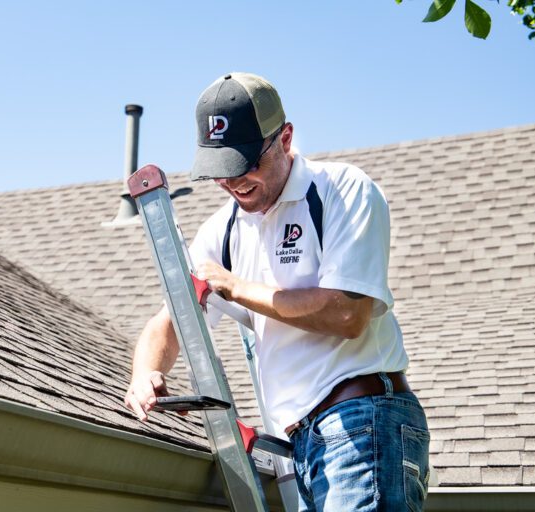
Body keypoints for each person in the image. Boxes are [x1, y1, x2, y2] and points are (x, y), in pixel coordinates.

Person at [124, 72, 431, 511]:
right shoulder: (225, 230)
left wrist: (234, 286)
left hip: (362, 420)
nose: (234, 182)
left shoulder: (341, 191)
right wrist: (146, 374)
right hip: (302, 446)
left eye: (247, 163)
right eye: (221, 171)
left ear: (285, 139)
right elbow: (171, 319)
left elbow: (348, 315)